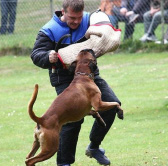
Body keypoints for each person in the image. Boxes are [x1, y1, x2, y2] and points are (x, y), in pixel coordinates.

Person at [31, 0, 121, 165]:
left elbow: (105, 31)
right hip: (64, 78)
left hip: (89, 76)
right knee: (73, 120)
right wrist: (48, 56)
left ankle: (94, 146)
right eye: (72, 18)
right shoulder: (50, 29)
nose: (76, 22)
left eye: (79, 18)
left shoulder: (90, 20)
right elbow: (36, 54)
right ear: (63, 12)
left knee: (112, 105)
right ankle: (64, 163)